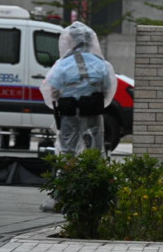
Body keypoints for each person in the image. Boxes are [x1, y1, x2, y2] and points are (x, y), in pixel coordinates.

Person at [40, 22, 117, 155]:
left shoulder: (62, 65)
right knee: (94, 149)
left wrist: (60, 98)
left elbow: (50, 89)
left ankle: (67, 173)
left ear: (70, 41)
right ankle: (92, 173)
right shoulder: (101, 64)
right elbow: (107, 89)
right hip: (92, 111)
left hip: (69, 112)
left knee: (67, 150)